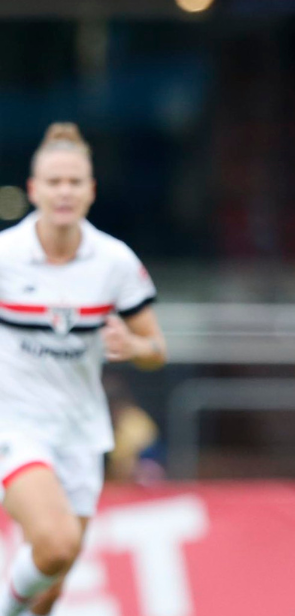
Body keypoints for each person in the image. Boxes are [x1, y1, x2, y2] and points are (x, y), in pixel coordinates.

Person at [0, 123, 166, 616]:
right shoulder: (6, 255)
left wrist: (131, 343)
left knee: (50, 586)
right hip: (16, 424)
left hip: (81, 432)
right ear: (34, 190)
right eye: (54, 182)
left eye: (74, 182)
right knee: (53, 546)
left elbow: (157, 347)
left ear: (91, 190)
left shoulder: (114, 261)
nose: (64, 192)